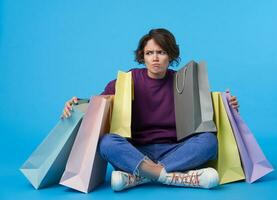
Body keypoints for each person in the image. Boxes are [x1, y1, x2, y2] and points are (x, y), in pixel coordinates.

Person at [61, 28, 240, 192]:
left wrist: (228, 106)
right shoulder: (127, 80)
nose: (155, 58)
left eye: (161, 52)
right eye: (149, 53)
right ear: (143, 56)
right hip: (136, 152)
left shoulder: (183, 83)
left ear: (170, 55)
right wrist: (77, 104)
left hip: (175, 151)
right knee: (107, 142)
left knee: (209, 140)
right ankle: (176, 177)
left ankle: (139, 177)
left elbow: (209, 111)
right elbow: (99, 105)